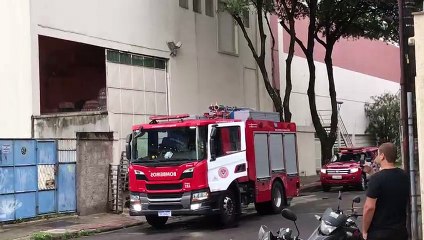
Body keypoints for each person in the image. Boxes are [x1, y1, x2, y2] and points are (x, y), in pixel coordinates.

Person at [362, 143, 409, 240]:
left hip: (380, 233)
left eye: (378, 154)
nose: (376, 156)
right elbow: (388, 182)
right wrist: (371, 172)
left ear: (382, 156)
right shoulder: (404, 175)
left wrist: (364, 230)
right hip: (400, 232)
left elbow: (369, 208)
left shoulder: (376, 179)